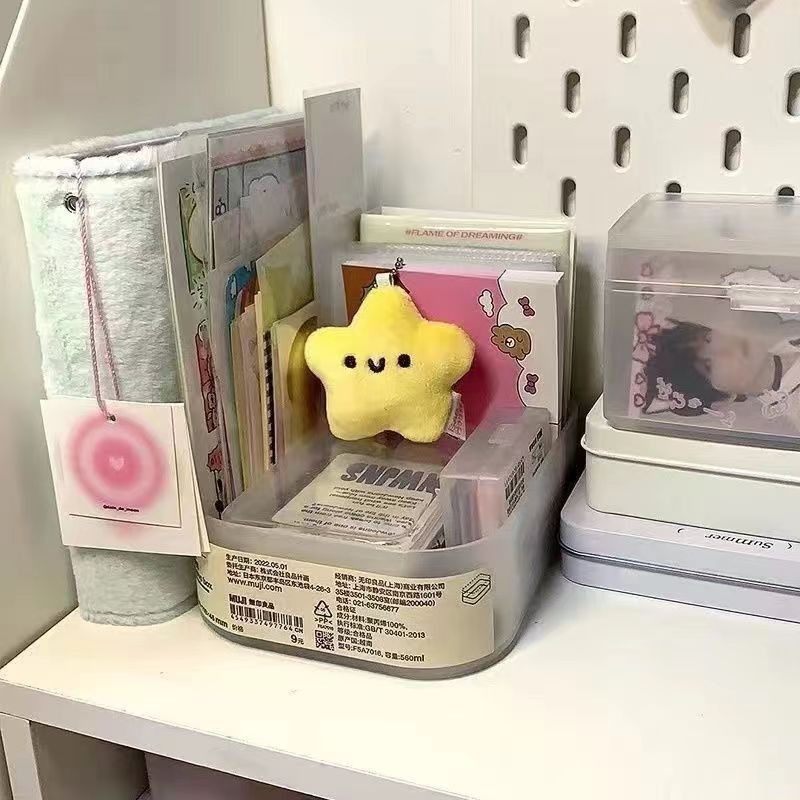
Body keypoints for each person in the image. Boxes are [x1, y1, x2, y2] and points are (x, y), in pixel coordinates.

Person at [644, 320, 784, 416]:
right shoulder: (788, 411)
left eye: (709, 338)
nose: (723, 350)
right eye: (709, 365)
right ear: (723, 399)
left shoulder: (785, 335)